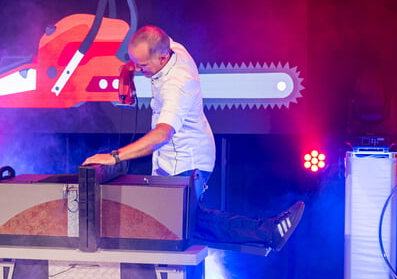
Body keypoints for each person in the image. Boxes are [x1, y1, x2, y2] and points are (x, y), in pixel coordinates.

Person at [83, 25, 304, 252]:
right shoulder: (169, 47)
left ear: (163, 57)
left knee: (181, 223)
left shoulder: (178, 84)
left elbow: (162, 134)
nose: (138, 70)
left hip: (187, 161)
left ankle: (269, 232)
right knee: (174, 223)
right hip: (171, 158)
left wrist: (115, 157)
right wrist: (129, 67)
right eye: (136, 63)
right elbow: (152, 42)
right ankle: (268, 231)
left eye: (143, 65)